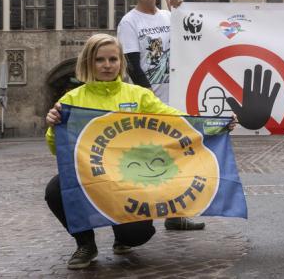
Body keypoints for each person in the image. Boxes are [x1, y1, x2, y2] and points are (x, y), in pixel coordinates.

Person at [44, 34, 188, 269]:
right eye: (100, 60)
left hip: (129, 177)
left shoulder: (138, 95)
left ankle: (123, 237)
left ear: (121, 62)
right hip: (90, 176)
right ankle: (85, 243)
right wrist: (53, 127)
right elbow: (56, 149)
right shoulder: (71, 99)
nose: (107, 65)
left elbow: (173, 119)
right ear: (89, 63)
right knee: (55, 189)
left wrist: (215, 122)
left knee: (138, 235)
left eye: (113, 59)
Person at [116, 0, 204, 231]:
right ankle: (141, 214)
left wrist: (182, 10)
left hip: (175, 98)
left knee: (177, 156)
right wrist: (150, 100)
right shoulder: (129, 22)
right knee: (153, 158)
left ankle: (175, 215)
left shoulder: (168, 17)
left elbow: (196, 37)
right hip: (150, 102)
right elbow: (133, 65)